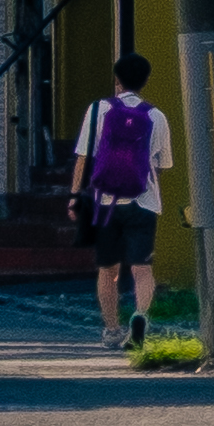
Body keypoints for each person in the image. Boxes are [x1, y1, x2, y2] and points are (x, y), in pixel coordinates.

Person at [72, 55, 168, 347]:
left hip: (106, 202)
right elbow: (161, 164)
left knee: (108, 270)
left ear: (117, 81)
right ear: (145, 81)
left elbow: (83, 156)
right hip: (144, 201)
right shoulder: (156, 116)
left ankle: (112, 330)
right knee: (142, 269)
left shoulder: (99, 109)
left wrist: (75, 195)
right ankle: (139, 315)